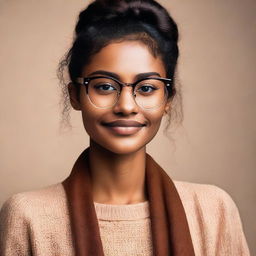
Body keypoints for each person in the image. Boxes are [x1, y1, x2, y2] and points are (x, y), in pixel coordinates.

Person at [0, 0, 250, 255]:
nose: (126, 106)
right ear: (75, 95)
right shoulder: (27, 216)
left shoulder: (211, 210)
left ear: (168, 99)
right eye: (105, 86)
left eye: (147, 88)